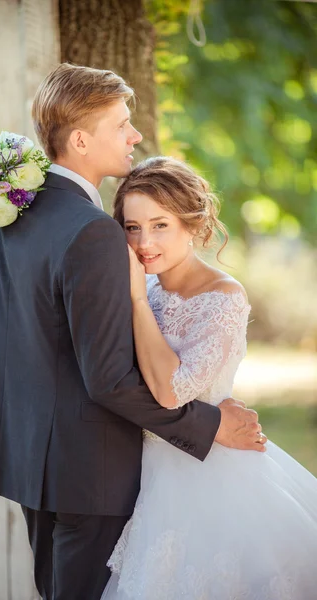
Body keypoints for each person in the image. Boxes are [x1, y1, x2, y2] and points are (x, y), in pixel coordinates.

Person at [0, 64, 265, 600]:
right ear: (81, 139)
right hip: (91, 468)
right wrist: (210, 426)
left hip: (29, 459)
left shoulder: (7, 216)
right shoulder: (92, 232)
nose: (135, 135)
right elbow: (107, 378)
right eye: (122, 124)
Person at [101, 156, 317, 600]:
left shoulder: (223, 296)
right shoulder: (150, 286)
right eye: (132, 227)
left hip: (207, 473)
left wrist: (138, 302)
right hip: (144, 469)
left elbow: (170, 390)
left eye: (160, 225)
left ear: (193, 225)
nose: (144, 242)